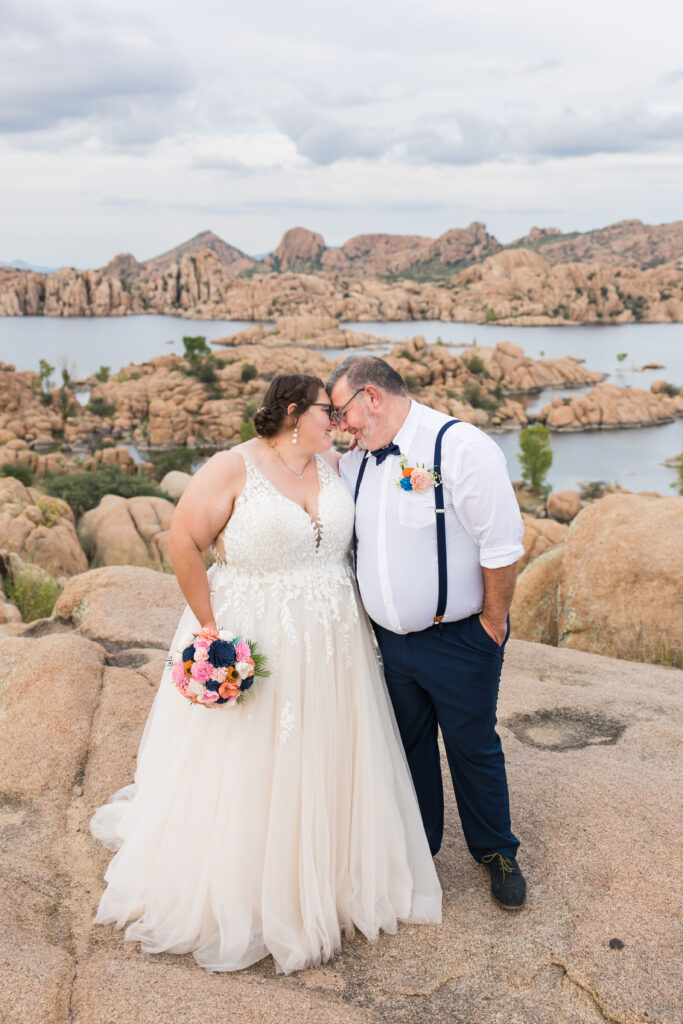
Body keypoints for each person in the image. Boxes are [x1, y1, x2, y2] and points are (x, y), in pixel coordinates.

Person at [90, 373, 441, 974]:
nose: (336, 420)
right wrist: (207, 629)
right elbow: (182, 540)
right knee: (253, 758)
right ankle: (254, 887)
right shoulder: (232, 468)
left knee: (329, 752)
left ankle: (332, 876)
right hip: (257, 630)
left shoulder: (336, 465)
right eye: (327, 411)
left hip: (335, 643)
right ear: (293, 412)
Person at [328, 356, 527, 910]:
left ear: (372, 396)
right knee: (408, 748)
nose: (343, 426)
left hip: (460, 639)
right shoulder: (354, 464)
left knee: (473, 747)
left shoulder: (462, 448)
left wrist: (491, 624)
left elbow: (503, 546)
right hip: (391, 645)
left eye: (344, 412)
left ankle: (497, 852)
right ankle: (422, 850)